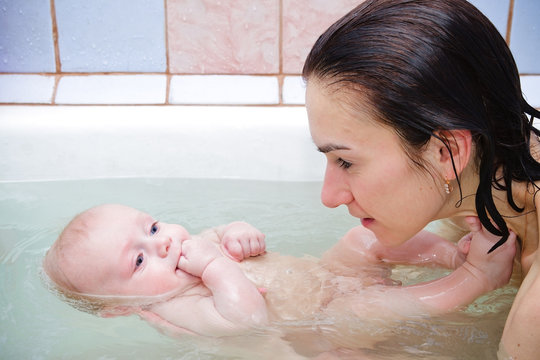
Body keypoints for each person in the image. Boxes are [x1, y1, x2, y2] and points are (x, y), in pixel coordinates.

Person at [301, 0, 540, 358]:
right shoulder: (481, 188)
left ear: (447, 152)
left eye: (346, 162)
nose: (329, 196)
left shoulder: (534, 318)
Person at [42, 204, 515, 344]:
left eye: (151, 226)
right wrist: (216, 265)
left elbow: (229, 227)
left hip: (328, 275)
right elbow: (247, 320)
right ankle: (475, 278)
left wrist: (238, 231)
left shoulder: (193, 247)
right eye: (140, 260)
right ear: (118, 306)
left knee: (361, 241)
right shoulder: (176, 307)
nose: (162, 241)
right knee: (363, 309)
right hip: (332, 320)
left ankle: (454, 255)